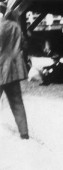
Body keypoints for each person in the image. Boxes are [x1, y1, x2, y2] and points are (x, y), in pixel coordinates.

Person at [0, 7, 29, 139]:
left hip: (1, 69)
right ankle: (24, 133)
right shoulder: (16, 26)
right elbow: (24, 44)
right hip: (14, 69)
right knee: (17, 102)